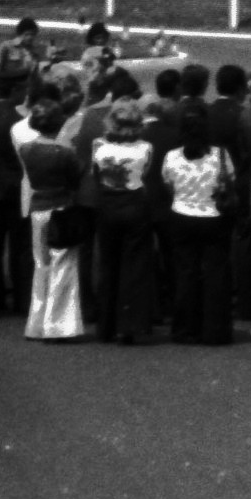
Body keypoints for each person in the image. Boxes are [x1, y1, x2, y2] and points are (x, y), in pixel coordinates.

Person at [157, 99, 238, 346]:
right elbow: (230, 180)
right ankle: (215, 330)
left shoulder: (172, 157)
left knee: (185, 273)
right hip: (213, 217)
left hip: (182, 215)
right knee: (216, 274)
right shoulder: (220, 155)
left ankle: (185, 329)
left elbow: (168, 185)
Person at [86, 100, 164, 345]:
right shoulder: (146, 147)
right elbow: (146, 173)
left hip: (107, 205)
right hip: (135, 205)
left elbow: (95, 174)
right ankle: (129, 324)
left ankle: (105, 326)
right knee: (135, 267)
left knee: (108, 264)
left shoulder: (98, 145)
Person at [20, 102, 88, 340]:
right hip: (61, 208)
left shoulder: (26, 149)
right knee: (63, 264)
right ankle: (58, 325)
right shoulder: (64, 153)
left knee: (41, 264)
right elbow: (76, 177)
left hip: (38, 207)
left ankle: (36, 324)